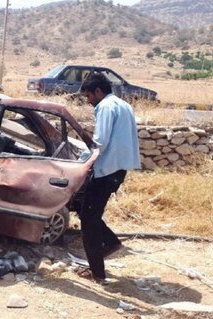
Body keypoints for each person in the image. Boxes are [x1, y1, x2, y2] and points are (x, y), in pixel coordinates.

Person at [77, 73, 141, 283]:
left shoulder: (105, 107)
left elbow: (100, 143)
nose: (88, 101)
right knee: (89, 212)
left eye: (88, 96)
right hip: (119, 169)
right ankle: (112, 243)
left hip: (106, 170)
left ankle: (97, 273)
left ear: (98, 91)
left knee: (88, 219)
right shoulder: (124, 105)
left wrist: (82, 161)